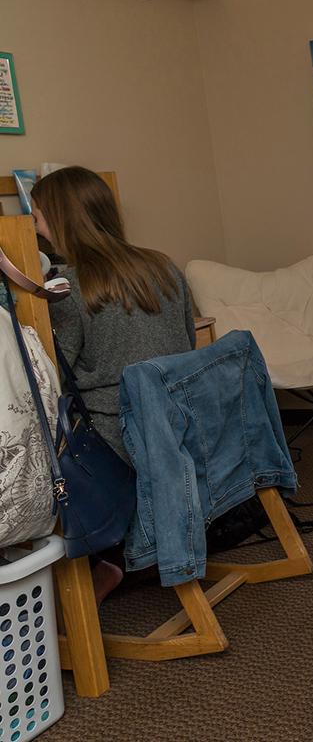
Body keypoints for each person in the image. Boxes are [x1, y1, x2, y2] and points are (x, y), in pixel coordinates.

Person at [31, 166, 195, 598]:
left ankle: (93, 560)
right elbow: (188, 344)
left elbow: (53, 376)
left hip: (121, 440)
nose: (36, 226)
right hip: (180, 422)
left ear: (58, 220)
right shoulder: (163, 266)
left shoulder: (67, 290)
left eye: (38, 216)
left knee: (34, 442)